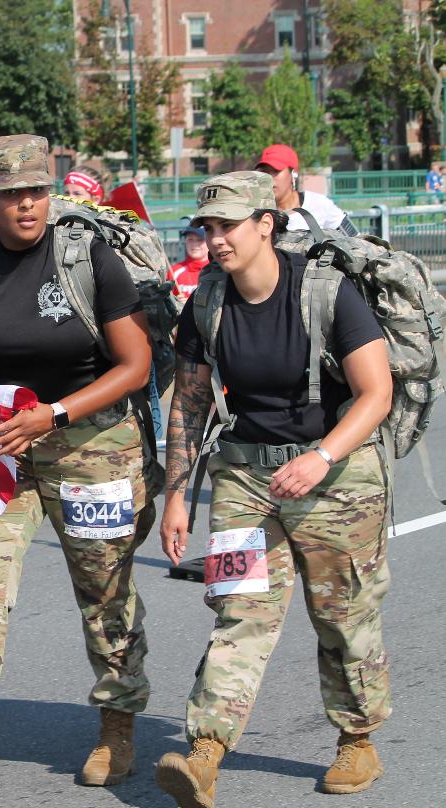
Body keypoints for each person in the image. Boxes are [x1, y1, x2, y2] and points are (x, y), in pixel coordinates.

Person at [0, 134, 164, 807]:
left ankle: (117, 726)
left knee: (104, 589)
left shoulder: (87, 255)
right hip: (3, 449)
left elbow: (135, 365)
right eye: (11, 194)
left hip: (92, 446)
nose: (26, 206)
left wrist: (58, 413)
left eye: (37, 191)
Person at [155, 171, 393, 807]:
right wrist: (177, 494)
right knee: (240, 610)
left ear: (266, 223)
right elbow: (190, 402)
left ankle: (357, 739)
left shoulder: (326, 292)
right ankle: (205, 750)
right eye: (207, 227)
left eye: (228, 225)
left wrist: (320, 456)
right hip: (243, 477)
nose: (215, 239)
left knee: (342, 614)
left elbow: (376, 393)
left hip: (338, 477)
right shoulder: (206, 301)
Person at [255, 144, 358, 235]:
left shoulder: (318, 204)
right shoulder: (256, 213)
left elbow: (356, 242)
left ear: (293, 173)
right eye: (265, 172)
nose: (269, 178)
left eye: (275, 171)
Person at [167, 223, 209, 302]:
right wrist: (176, 303)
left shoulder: (218, 271)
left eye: (199, 240)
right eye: (190, 239)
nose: (194, 244)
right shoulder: (173, 272)